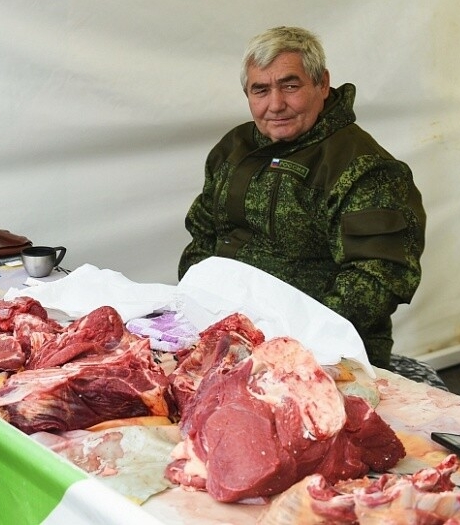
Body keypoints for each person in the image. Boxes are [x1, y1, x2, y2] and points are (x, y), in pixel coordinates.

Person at [178, 26, 426, 372]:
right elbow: (203, 236)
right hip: (225, 339)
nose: (275, 105)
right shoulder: (234, 147)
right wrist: (195, 309)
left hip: (322, 358)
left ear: (322, 84)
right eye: (260, 90)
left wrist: (288, 345)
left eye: (290, 86)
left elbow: (377, 278)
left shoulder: (366, 168)